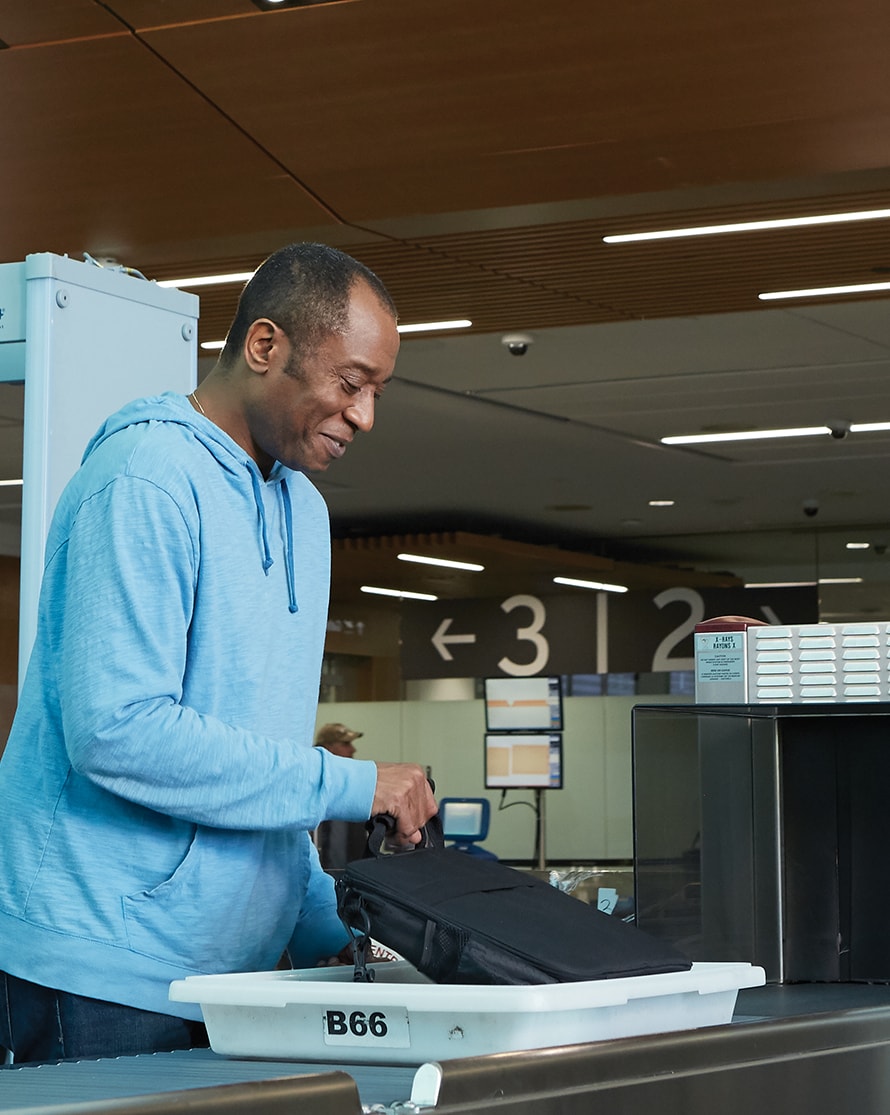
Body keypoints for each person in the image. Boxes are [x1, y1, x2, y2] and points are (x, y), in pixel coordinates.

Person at [0, 242, 437, 1064]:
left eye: (377, 391)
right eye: (350, 383)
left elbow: (255, 762)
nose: (365, 416)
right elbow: (118, 731)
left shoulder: (305, 513)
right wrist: (353, 781)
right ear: (265, 345)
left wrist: (327, 923)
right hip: (100, 968)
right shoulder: (145, 477)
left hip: (232, 977)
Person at [313, 723, 373, 869]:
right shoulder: (308, 785)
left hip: (350, 877)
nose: (353, 749)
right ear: (327, 747)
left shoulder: (354, 786)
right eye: (345, 744)